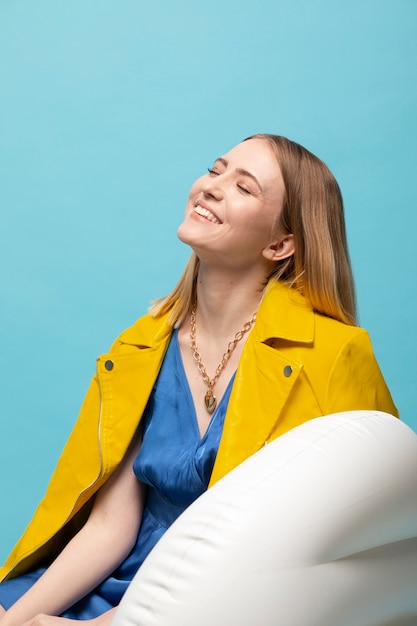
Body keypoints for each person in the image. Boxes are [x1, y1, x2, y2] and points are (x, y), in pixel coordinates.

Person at [0, 134, 398, 626]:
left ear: (280, 244)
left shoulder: (335, 355)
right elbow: (110, 525)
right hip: (119, 580)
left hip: (233, 602)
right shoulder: (141, 347)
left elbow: (342, 542)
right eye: (215, 170)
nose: (212, 187)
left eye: (244, 187)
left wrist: (121, 624)